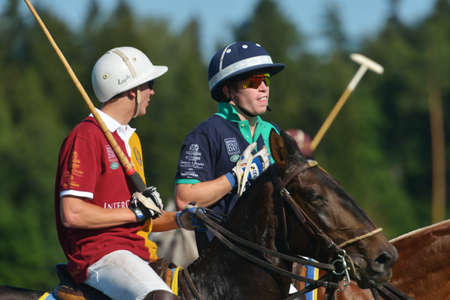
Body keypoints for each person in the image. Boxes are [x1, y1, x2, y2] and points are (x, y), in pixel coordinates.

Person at [55, 46, 204, 300]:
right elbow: (72, 213)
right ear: (132, 91)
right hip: (99, 255)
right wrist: (135, 212)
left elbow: (140, 217)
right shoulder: (87, 135)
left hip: (138, 250)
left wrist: (180, 220)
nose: (152, 92)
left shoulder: (130, 140)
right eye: (149, 84)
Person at [174, 41, 285, 254]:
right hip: (224, 261)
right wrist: (236, 176)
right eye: (254, 81)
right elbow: (184, 198)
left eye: (266, 80)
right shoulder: (206, 134)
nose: (264, 87)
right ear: (228, 90)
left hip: (273, 257)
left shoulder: (274, 133)